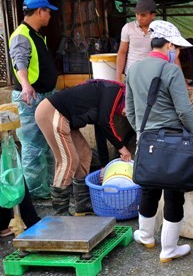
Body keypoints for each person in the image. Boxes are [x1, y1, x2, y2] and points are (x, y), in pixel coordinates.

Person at [125, 20, 193, 263]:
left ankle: (145, 235)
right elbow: (184, 111)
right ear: (168, 45)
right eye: (176, 48)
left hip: (146, 138)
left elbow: (130, 109)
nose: (176, 53)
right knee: (174, 191)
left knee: (149, 186)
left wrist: (141, 134)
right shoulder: (171, 70)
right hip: (173, 138)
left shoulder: (133, 69)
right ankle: (169, 249)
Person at [35, 79, 132, 216]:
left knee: (84, 154)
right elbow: (105, 122)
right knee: (68, 161)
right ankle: (60, 212)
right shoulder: (115, 91)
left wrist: (104, 165)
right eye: (130, 111)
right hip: (52, 112)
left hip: (65, 118)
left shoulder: (111, 97)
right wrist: (122, 148)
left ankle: (83, 204)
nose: (125, 114)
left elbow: (100, 127)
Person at [8, 0, 58, 199]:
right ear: (40, 11)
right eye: (48, 11)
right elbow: (20, 60)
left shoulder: (35, 34)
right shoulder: (22, 34)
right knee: (32, 146)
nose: (50, 16)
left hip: (44, 97)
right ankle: (36, 193)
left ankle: (47, 187)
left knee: (46, 144)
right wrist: (26, 84)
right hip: (31, 98)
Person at [116, 0, 183, 83]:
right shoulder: (128, 28)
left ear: (153, 15)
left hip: (154, 76)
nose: (139, 18)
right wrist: (118, 79)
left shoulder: (161, 30)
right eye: (137, 14)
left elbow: (173, 56)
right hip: (132, 76)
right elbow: (122, 52)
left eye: (143, 15)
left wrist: (182, 82)